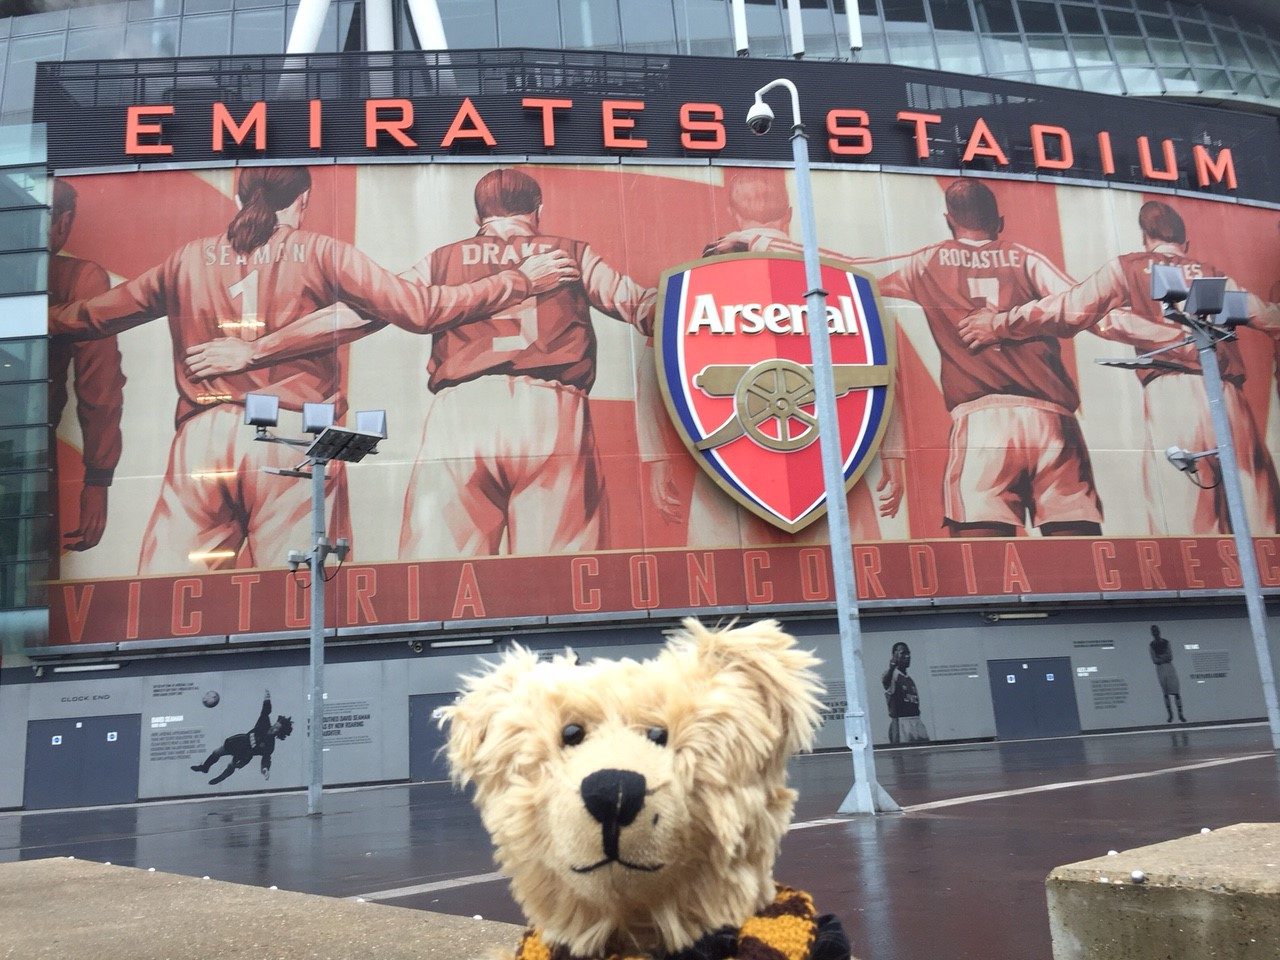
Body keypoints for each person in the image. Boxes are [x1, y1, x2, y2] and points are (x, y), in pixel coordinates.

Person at [50, 166, 578, 573]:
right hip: (293, 437)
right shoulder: (323, 252)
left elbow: (88, 318)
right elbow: (422, 310)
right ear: (301, 201)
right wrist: (518, 281)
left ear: (238, 200)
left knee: (172, 600)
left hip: (200, 443)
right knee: (298, 606)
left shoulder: (186, 259)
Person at [187, 167, 655, 557]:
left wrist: (258, 348)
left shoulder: (443, 259)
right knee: (559, 572)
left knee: (441, 576)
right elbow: (638, 304)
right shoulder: (571, 253)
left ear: (479, 216)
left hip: (459, 413)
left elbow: (356, 315)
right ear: (537, 211)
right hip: (551, 411)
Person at [734, 179, 1101, 538]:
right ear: (999, 223)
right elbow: (1082, 304)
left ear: (949, 220)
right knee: (1075, 535)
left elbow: (850, 267)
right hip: (1055, 418)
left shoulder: (927, 261)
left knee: (982, 543)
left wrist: (763, 239)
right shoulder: (1027, 258)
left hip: (983, 417)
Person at [958, 200, 1280, 536]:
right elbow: (1269, 316)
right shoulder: (1214, 275)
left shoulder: (1128, 267)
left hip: (1170, 394)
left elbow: (1068, 308)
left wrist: (999, 323)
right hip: (1227, 396)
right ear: (1185, 244)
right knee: (1259, 514)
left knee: (1187, 520)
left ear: (1145, 237)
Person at [636, 168, 906, 545]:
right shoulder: (837, 282)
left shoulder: (693, 287)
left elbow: (654, 372)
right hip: (837, 475)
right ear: (790, 215)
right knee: (849, 582)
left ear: (732, 213)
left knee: (723, 588)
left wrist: (656, 459)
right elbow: (882, 370)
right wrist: (895, 452)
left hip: (726, 474)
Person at [47, 179, 126, 555]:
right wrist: (98, 480)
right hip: (27, 452)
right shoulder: (76, 277)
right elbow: (100, 385)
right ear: (63, 221)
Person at [191, 690, 292, 785]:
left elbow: (266, 759)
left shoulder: (270, 745)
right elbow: (266, 711)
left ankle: (222, 776)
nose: (274, 728)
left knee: (232, 765)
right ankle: (205, 767)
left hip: (245, 755)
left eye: (277, 729)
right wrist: (267, 698)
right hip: (239, 742)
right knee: (217, 752)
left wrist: (265, 769)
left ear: (279, 733)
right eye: (276, 725)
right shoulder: (264, 723)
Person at [883, 642, 929, 744]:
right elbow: (885, 681)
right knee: (904, 756)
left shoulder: (910, 680)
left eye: (908, 653)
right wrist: (892, 667)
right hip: (902, 722)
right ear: (895, 655)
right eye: (903, 653)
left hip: (916, 721)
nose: (907, 656)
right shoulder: (892, 676)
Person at [1149, 625, 1186, 723]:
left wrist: (1160, 658)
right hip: (1160, 669)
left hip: (1169, 668)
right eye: (1154, 631)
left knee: (1176, 691)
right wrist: (1163, 658)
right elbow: (1154, 659)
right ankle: (1170, 715)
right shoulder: (1152, 645)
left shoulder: (1166, 642)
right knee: (1165, 693)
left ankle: (1180, 714)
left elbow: (1170, 656)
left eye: (1156, 631)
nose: (1155, 633)